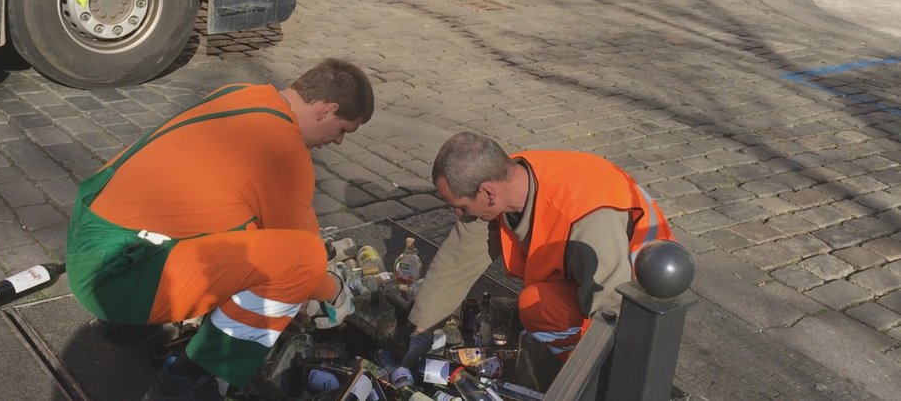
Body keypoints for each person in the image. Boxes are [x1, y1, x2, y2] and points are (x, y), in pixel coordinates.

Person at [65, 58, 375, 401]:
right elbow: (303, 258)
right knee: (303, 259)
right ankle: (190, 382)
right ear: (326, 109)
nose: (338, 142)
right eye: (343, 130)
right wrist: (333, 291)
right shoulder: (283, 149)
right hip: (122, 275)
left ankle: (129, 329)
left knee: (250, 228)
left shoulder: (243, 95)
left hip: (93, 245)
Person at [402, 132, 675, 372]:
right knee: (534, 304)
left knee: (538, 307)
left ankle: (577, 371)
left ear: (488, 193)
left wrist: (596, 379)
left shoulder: (588, 219)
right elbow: (458, 258)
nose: (457, 213)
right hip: (593, 274)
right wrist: (423, 328)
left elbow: (612, 308)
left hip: (639, 297)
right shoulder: (507, 176)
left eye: (460, 206)